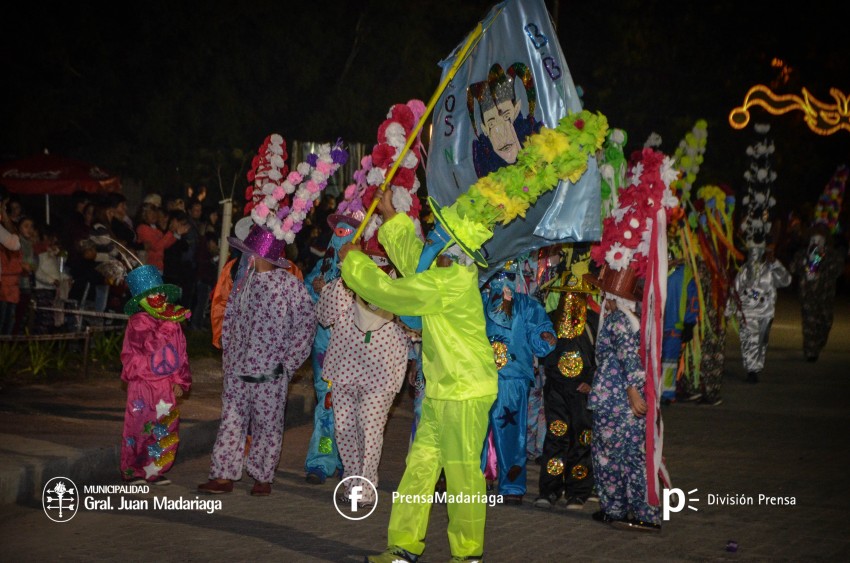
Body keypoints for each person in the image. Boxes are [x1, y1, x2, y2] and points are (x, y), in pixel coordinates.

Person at [339, 188, 497, 563]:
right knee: (420, 470)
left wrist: (355, 263)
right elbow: (414, 260)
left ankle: (468, 555)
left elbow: (393, 292)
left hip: (465, 391)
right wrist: (391, 213)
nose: (433, 232)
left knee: (462, 478)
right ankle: (403, 548)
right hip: (445, 390)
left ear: (453, 241)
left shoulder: (451, 281)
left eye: (441, 229)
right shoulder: (445, 271)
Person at [198, 223, 315, 496]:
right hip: (238, 370)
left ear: (261, 255)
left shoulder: (290, 286)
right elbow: (230, 322)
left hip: (271, 373)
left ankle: (263, 476)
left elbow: (305, 326)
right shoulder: (243, 283)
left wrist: (287, 365)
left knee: (268, 425)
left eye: (248, 252)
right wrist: (228, 357)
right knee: (230, 422)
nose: (245, 257)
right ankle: (223, 475)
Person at [317, 254, 411, 507]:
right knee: (344, 429)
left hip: (381, 373)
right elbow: (324, 316)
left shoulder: (400, 286)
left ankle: (365, 489)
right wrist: (340, 282)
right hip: (344, 367)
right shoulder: (348, 282)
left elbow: (415, 327)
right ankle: (351, 484)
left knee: (369, 430)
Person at [585, 268, 662, 532]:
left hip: (615, 402)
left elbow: (627, 355)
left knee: (608, 457)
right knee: (633, 458)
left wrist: (631, 390)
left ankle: (614, 508)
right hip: (630, 403)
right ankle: (644, 512)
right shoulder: (636, 319)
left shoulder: (617, 319)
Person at [479, 262, 556, 505]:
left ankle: (511, 484)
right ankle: (473, 480)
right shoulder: (477, 302)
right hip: (478, 376)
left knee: (512, 432)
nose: (504, 282)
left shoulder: (527, 305)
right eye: (499, 276)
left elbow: (541, 332)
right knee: (475, 431)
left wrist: (545, 336)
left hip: (513, 378)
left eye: (509, 276)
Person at [533, 262, 599, 511]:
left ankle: (578, 492)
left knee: (582, 438)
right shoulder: (550, 321)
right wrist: (545, 341)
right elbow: (541, 352)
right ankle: (550, 489)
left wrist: (591, 382)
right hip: (557, 389)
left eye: (577, 294)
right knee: (556, 436)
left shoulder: (593, 321)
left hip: (582, 392)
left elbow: (602, 356)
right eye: (566, 293)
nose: (571, 298)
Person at [302, 210, 361, 485]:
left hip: (353, 348)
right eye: (337, 232)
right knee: (327, 407)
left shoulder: (365, 268)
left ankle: (347, 461)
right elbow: (307, 295)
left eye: (347, 233)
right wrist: (316, 288)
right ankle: (323, 459)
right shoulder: (323, 267)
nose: (341, 239)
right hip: (325, 347)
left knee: (351, 408)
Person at [119, 263, 192, 485]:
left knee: (165, 427)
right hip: (142, 385)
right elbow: (148, 347)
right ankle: (134, 470)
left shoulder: (172, 322)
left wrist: (180, 380)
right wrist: (166, 327)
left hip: (165, 385)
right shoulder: (138, 323)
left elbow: (181, 352)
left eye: (161, 293)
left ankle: (155, 470)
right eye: (153, 294)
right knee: (139, 427)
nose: (159, 297)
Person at [727, 242, 791, 383]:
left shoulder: (770, 270)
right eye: (751, 252)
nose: (754, 255)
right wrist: (729, 309)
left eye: (758, 251)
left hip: (765, 312)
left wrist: (775, 263)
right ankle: (752, 370)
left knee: (761, 342)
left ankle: (756, 366)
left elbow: (786, 280)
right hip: (747, 312)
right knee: (750, 340)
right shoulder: (743, 270)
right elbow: (735, 290)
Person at [789, 224, 845, 362]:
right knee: (809, 323)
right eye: (813, 239)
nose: (816, 242)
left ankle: (818, 344)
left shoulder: (832, 255)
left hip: (825, 296)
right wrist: (806, 262)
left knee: (825, 323)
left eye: (820, 240)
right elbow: (793, 268)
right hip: (808, 296)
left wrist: (819, 265)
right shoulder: (802, 253)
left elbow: (837, 271)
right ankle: (810, 351)